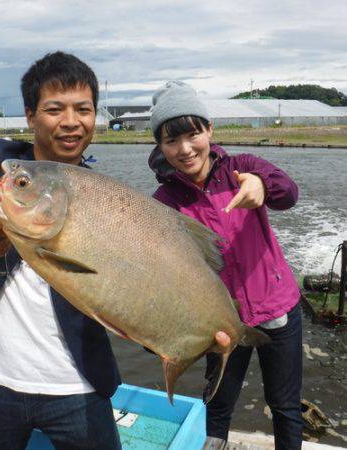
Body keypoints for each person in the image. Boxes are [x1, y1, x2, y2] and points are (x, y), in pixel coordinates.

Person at [0, 51, 122, 450]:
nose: (71, 121)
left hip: (79, 383)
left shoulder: (103, 197)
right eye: (55, 109)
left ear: (94, 116)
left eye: (83, 109)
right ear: (31, 116)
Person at [148, 81, 302, 450]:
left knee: (284, 405)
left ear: (209, 130)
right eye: (172, 141)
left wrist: (262, 185)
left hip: (277, 309)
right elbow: (163, 273)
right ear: (160, 145)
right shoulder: (164, 201)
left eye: (192, 134)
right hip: (218, 321)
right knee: (217, 405)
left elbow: (289, 193)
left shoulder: (242, 169)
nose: (185, 149)